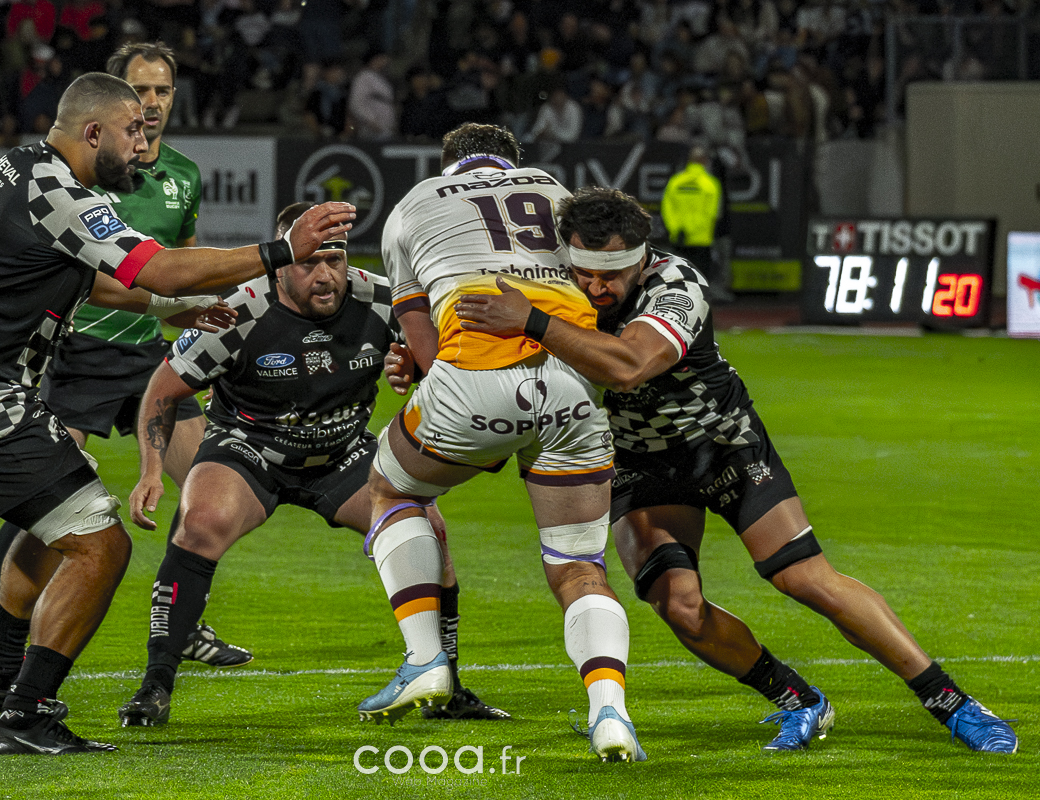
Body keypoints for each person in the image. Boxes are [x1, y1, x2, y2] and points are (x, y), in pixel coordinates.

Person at [445, 186, 1019, 755]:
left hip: (721, 443)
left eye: (612, 275)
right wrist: (415, 359)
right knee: (678, 606)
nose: (597, 288)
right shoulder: (550, 285)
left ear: (640, 258)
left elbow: (629, 365)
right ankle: (798, 700)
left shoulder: (677, 285)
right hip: (638, 462)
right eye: (585, 273)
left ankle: (953, 703)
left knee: (803, 577)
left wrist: (533, 321)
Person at [0, 70, 355, 755]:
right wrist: (282, 252)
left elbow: (97, 283)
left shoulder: (23, 168)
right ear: (93, 132)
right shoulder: (58, 191)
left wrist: (174, 310)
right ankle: (26, 716)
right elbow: (158, 267)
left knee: (54, 521)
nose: (142, 145)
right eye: (131, 131)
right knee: (101, 544)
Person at [117, 202, 507, 726]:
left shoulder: (383, 299)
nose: (325, 276)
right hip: (250, 449)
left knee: (429, 534)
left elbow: (441, 360)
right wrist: (150, 470)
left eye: (335, 260)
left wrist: (413, 368)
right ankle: (155, 686)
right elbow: (163, 391)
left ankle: (447, 685)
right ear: (280, 264)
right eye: (308, 263)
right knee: (200, 522)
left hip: (342, 452)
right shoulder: (239, 312)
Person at [0, 42, 251, 728]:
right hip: (81, 351)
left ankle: (180, 624)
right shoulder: (85, 173)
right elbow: (137, 272)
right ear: (112, 103)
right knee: (45, 503)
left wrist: (184, 330)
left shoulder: (182, 175)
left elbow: (180, 265)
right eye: (140, 92)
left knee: (211, 485)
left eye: (163, 91)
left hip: (151, 356)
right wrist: (274, 258)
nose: (153, 105)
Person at [359, 123, 644, 763]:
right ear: (513, 163)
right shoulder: (556, 191)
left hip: (476, 379)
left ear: (448, 165)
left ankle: (426, 660)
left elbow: (423, 343)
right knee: (579, 565)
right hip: (574, 382)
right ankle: (609, 712)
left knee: (391, 490)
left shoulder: (411, 205)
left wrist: (431, 387)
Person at [660, 145, 724, 299]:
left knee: (678, 284)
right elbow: (711, 213)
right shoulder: (710, 183)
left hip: (679, 239)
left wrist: (677, 229)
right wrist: (692, 230)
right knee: (699, 286)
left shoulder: (676, 182)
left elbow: (667, 209)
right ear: (704, 160)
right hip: (701, 240)